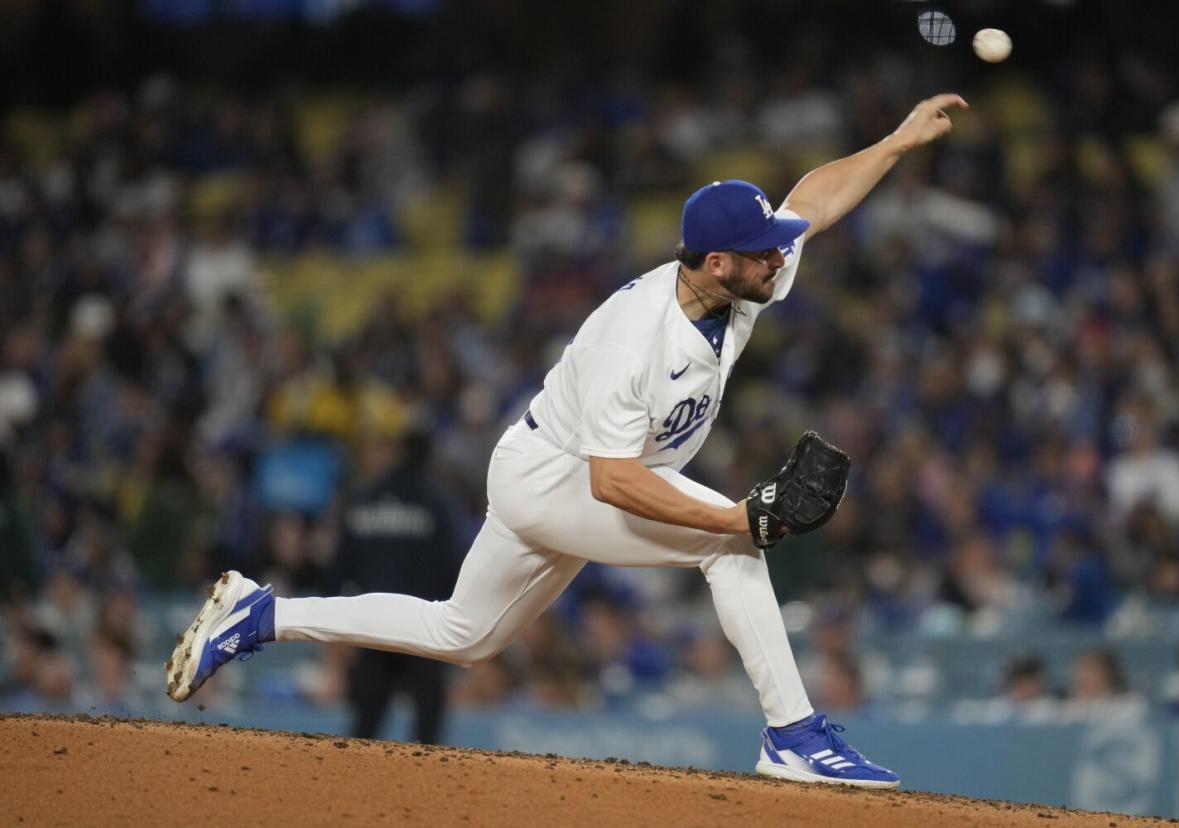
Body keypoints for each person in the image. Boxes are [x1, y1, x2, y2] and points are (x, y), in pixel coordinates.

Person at [166, 93, 968, 789]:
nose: (778, 256)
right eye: (761, 251)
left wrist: (896, 142)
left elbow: (812, 203)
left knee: (464, 634)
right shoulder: (636, 339)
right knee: (730, 546)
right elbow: (612, 482)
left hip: (551, 468)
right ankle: (792, 736)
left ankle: (261, 616)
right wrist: (736, 520)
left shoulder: (738, 272)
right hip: (562, 478)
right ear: (717, 262)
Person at [327, 419, 469, 744]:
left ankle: (350, 789)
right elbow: (456, 569)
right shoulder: (439, 503)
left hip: (374, 626)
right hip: (424, 628)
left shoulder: (365, 499)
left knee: (365, 727)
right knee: (428, 731)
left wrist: (335, 639)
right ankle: (427, 791)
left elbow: (338, 572)